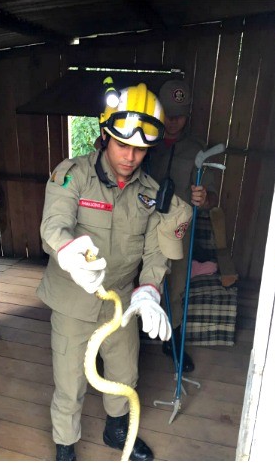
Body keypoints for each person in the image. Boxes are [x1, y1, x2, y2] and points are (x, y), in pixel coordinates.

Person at [37, 82, 192, 461]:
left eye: (140, 149)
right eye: (123, 145)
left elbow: (157, 252)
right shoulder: (72, 174)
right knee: (70, 381)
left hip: (122, 301)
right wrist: (68, 249)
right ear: (105, 136)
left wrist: (149, 290)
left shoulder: (153, 193)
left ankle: (116, 429)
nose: (130, 156)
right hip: (73, 300)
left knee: (125, 375)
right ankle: (65, 443)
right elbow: (53, 225)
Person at [145, 78, 219, 371]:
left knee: (174, 287)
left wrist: (204, 198)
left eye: (180, 114)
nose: (174, 120)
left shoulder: (198, 149)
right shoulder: (143, 140)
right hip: (141, 223)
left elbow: (213, 197)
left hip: (178, 229)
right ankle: (125, 340)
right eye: (168, 113)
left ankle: (172, 342)